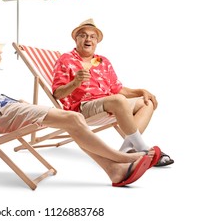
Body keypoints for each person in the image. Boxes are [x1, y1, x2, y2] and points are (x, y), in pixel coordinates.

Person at [0, 28, 161, 187]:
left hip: (8, 107)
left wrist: (17, 102)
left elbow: (117, 87)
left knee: (72, 121)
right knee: (74, 119)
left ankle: (115, 171)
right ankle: (122, 158)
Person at [52, 18, 174, 167]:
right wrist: (75, 83)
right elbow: (58, 94)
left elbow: (118, 89)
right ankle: (143, 149)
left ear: (97, 41)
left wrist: (141, 91)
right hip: (82, 107)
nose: (88, 39)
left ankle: (125, 151)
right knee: (118, 100)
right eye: (83, 35)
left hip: (111, 103)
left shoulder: (103, 61)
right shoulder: (65, 60)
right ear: (75, 39)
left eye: (92, 36)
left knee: (146, 102)